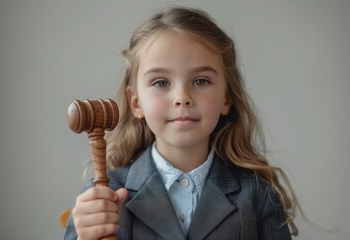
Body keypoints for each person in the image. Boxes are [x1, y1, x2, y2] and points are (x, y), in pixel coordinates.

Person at [64, 6, 300, 240]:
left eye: (200, 81)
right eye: (160, 83)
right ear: (136, 103)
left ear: (226, 98)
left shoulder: (257, 196)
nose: (182, 98)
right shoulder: (104, 196)